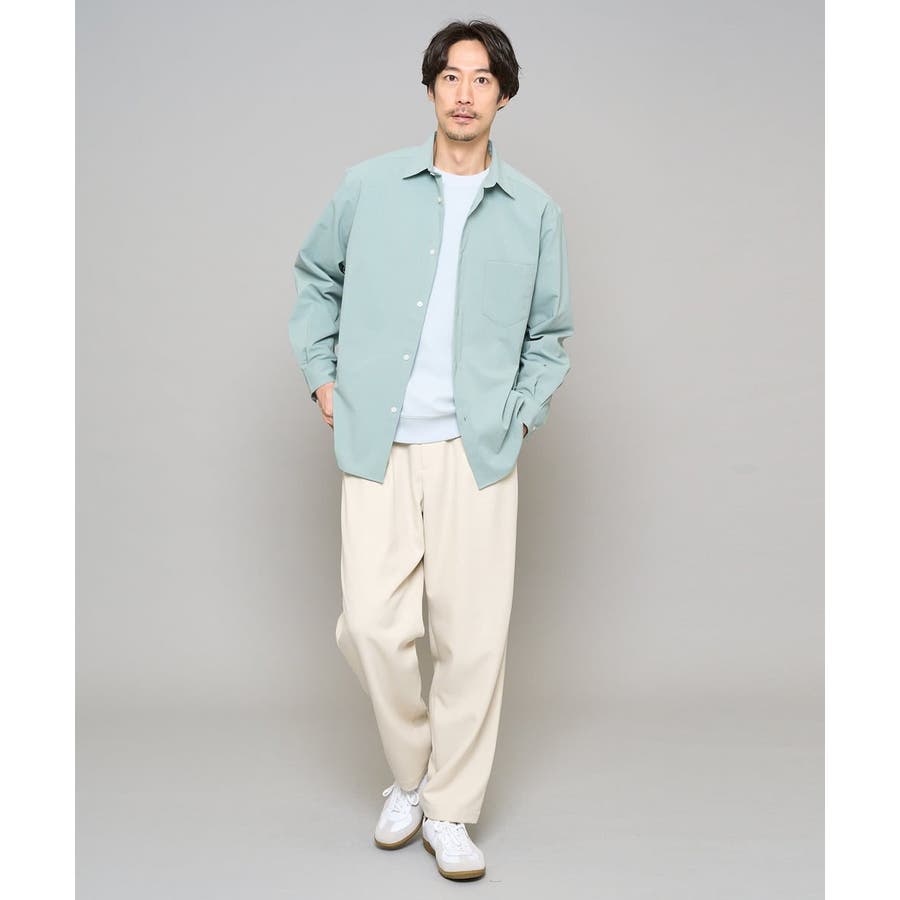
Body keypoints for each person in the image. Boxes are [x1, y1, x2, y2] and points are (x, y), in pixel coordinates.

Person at [288, 18, 573, 882]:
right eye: (451, 76)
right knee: (373, 626)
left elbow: (550, 334)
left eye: (482, 79)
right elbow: (316, 279)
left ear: (504, 96)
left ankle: (449, 809)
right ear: (429, 88)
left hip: (475, 451)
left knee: (472, 640)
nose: (464, 93)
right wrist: (321, 373)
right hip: (376, 440)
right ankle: (410, 774)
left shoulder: (533, 211)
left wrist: (520, 414)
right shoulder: (369, 186)